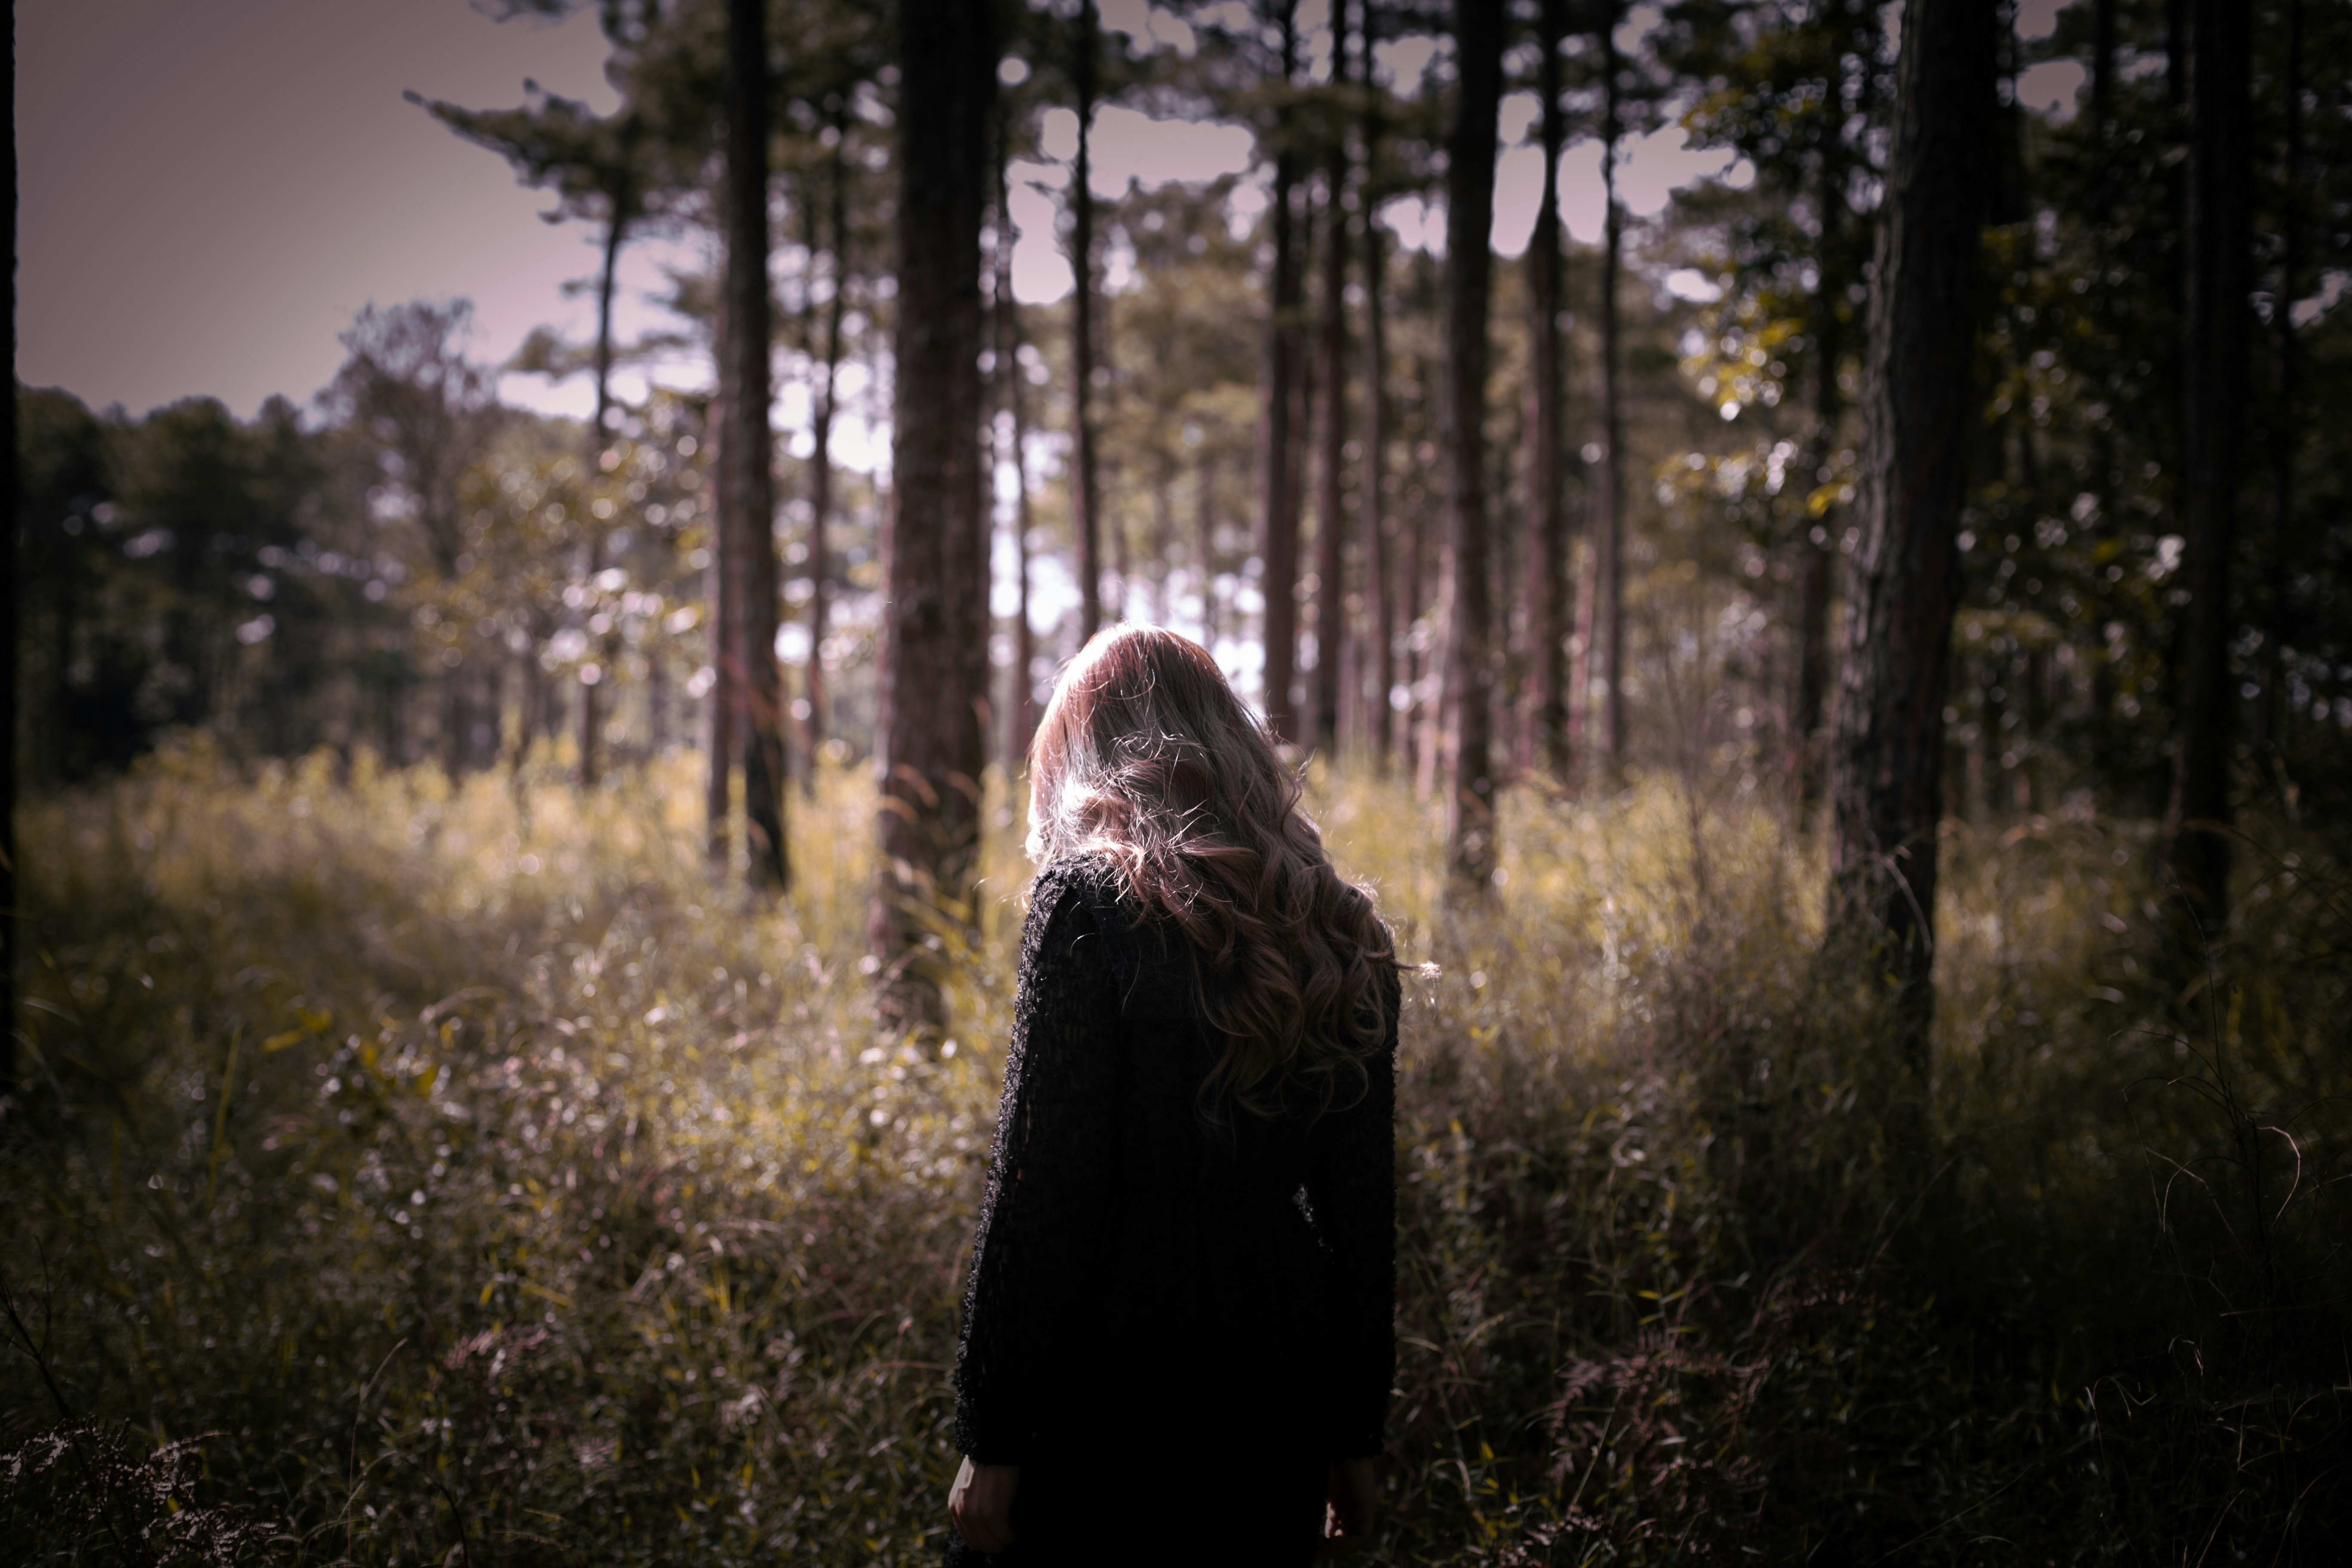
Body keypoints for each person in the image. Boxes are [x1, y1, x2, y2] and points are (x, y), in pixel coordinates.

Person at [945, 625, 1399, 1566]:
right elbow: (1363, 1215)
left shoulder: (1088, 904)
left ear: (1087, 753)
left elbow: (1040, 1191)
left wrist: (992, 1434)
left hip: (1110, 1360)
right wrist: (1355, 1432)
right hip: (1279, 1361)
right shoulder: (1340, 922)